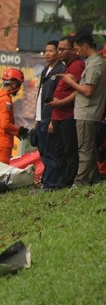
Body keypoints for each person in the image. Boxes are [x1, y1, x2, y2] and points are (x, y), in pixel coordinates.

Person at [59, 31, 106, 186]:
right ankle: (93, 179)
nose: (76, 53)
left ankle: (80, 182)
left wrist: (71, 82)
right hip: (88, 112)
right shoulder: (95, 62)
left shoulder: (95, 64)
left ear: (86, 46)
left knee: (84, 149)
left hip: (87, 112)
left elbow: (88, 90)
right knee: (89, 149)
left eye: (78, 49)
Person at [47, 35, 85, 188]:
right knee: (59, 152)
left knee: (69, 151)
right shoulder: (66, 66)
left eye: (63, 49)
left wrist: (60, 102)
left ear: (73, 50)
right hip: (57, 115)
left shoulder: (77, 65)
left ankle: (67, 183)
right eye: (59, 49)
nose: (60, 52)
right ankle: (60, 182)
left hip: (68, 116)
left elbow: (78, 91)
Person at [34, 40, 65, 189]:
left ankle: (51, 184)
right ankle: (47, 182)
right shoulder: (45, 70)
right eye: (46, 51)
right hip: (41, 118)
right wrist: (36, 118)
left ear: (58, 52)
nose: (47, 53)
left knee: (51, 152)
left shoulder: (61, 70)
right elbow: (40, 95)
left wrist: (53, 119)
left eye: (51, 51)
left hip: (50, 119)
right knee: (43, 152)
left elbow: (58, 96)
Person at [0, 68, 29, 164]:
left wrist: (16, 133)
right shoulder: (5, 100)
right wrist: (18, 131)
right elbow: (5, 124)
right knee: (0, 175)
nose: (19, 88)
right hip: (2, 143)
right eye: (19, 85)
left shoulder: (0, 96)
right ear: (13, 83)